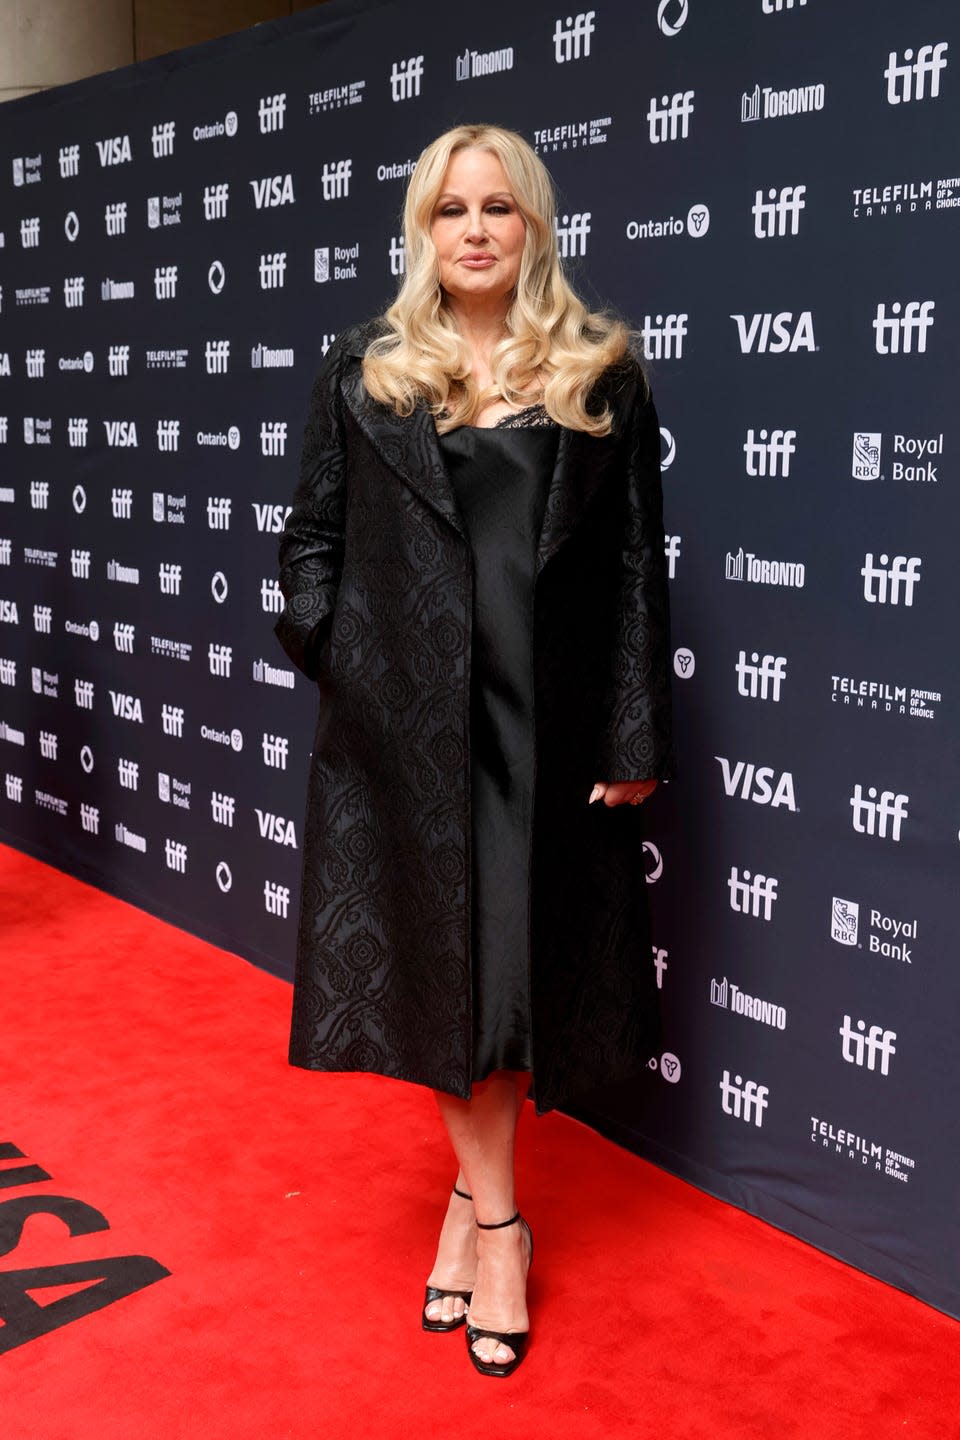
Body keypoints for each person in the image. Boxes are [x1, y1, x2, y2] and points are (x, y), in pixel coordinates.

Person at [273, 123, 675, 1378]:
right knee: (447, 992)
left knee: (504, 992)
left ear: (535, 225)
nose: (478, 231)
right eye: (453, 212)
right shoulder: (367, 370)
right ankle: (501, 1227)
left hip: (544, 737)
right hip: (409, 738)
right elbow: (310, 541)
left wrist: (631, 725)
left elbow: (631, 572)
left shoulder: (601, 377)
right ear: (422, 233)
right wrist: (342, 656)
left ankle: (468, 1210)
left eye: (500, 207)